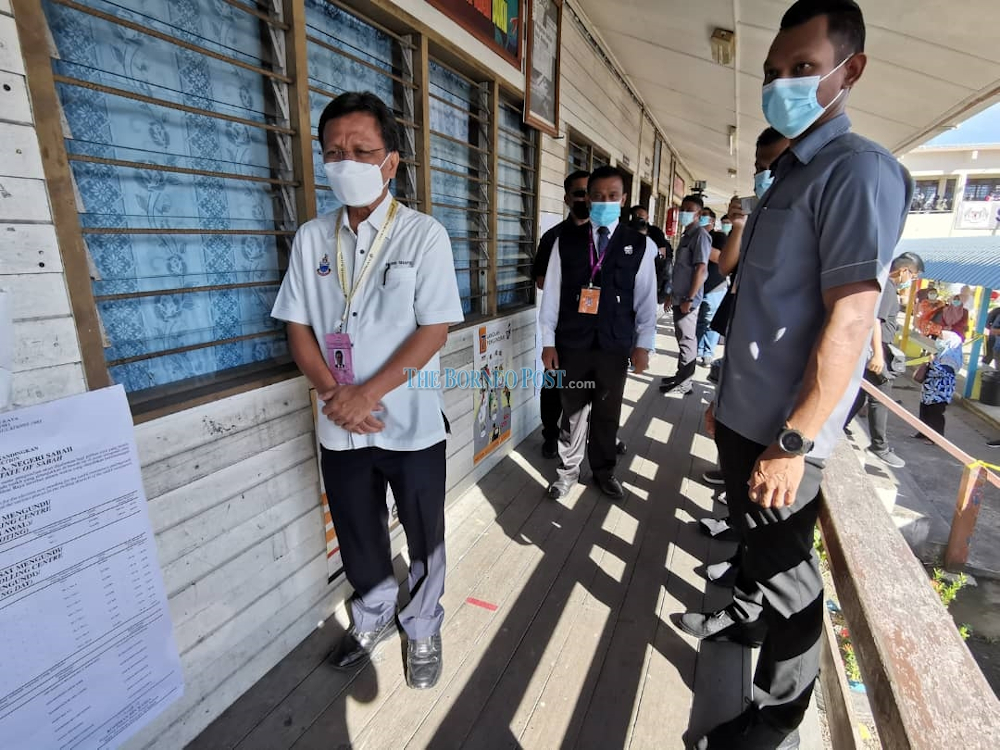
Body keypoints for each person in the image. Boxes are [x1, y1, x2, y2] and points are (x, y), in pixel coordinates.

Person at [678, 3, 913, 748]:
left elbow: (849, 321)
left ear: (851, 71)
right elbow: (760, 305)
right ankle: (740, 618)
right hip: (748, 414)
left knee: (790, 576)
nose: (783, 84)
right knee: (758, 552)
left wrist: (794, 438)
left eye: (804, 69)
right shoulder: (788, 175)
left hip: (785, 433)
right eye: (774, 72)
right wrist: (725, 397)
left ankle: (777, 716)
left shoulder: (858, 173)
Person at [271, 91, 464, 690]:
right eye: (333, 152)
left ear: (391, 162)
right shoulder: (311, 239)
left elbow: (434, 327)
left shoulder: (423, 236)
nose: (345, 161)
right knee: (358, 533)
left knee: (425, 535)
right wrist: (337, 395)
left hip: (407, 421)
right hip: (339, 422)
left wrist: (367, 393)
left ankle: (424, 623)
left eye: (361, 150)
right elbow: (297, 324)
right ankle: (375, 613)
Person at [540, 166, 658, 501]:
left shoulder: (640, 245)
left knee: (607, 413)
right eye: (597, 196)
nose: (604, 201)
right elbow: (551, 294)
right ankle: (567, 472)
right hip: (572, 344)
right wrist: (548, 341)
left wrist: (643, 345)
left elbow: (646, 299)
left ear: (622, 200)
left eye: (611, 196)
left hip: (614, 345)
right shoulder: (565, 241)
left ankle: (604, 472)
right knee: (572, 411)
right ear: (587, 199)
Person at [702, 127, 789, 490]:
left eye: (776, 165)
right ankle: (733, 481)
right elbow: (726, 267)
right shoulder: (757, 214)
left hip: (779, 343)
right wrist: (739, 224)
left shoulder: (801, 217)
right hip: (743, 331)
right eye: (759, 166)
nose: (765, 174)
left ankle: (742, 494)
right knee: (734, 416)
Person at [844, 252, 924, 469]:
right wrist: (878, 354)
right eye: (913, 275)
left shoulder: (885, 286)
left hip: (875, 349)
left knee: (861, 393)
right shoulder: (887, 288)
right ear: (904, 270)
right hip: (878, 350)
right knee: (880, 397)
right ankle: (880, 447)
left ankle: (840, 425)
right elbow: (876, 322)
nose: (912, 280)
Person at [533, 170, 591, 459]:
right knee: (554, 385)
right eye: (578, 193)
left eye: (588, 192)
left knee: (590, 388)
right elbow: (541, 280)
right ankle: (550, 435)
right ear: (567, 198)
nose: (584, 198)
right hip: (561, 327)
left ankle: (584, 438)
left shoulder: (605, 236)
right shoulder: (553, 237)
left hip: (594, 330)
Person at [660, 194, 711, 397]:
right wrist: (671, 294)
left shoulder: (700, 235)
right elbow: (680, 269)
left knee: (687, 340)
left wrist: (689, 298)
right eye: (682, 209)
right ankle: (681, 375)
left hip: (688, 300)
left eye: (689, 210)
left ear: (698, 214)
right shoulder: (687, 235)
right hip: (679, 296)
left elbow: (700, 269)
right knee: (682, 338)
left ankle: (685, 383)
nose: (684, 213)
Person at [915, 331, 963, 441]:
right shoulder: (941, 353)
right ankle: (922, 433)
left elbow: (943, 373)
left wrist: (932, 362)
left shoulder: (951, 357)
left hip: (939, 393)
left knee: (935, 415)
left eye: (941, 338)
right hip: (929, 390)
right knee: (925, 411)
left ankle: (936, 438)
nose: (938, 341)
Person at [696, 223, 730, 367]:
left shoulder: (719, 237)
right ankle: (698, 349)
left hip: (714, 286)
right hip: (699, 286)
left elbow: (720, 258)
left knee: (710, 320)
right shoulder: (696, 236)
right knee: (700, 320)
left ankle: (708, 353)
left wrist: (702, 247)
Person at [629, 205, 671, 303]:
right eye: (636, 214)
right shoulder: (626, 229)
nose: (639, 216)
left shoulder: (655, 232)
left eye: (641, 215)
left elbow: (662, 256)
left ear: (647, 217)